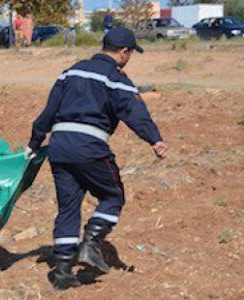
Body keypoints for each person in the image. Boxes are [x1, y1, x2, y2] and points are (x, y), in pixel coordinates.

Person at [25, 28, 168, 291]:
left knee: (68, 207)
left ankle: (63, 272)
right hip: (89, 146)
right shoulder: (116, 78)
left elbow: (49, 112)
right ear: (124, 52)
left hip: (58, 147)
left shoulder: (71, 71)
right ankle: (91, 242)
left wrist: (34, 143)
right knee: (113, 195)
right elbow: (134, 111)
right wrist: (154, 139)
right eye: (131, 53)